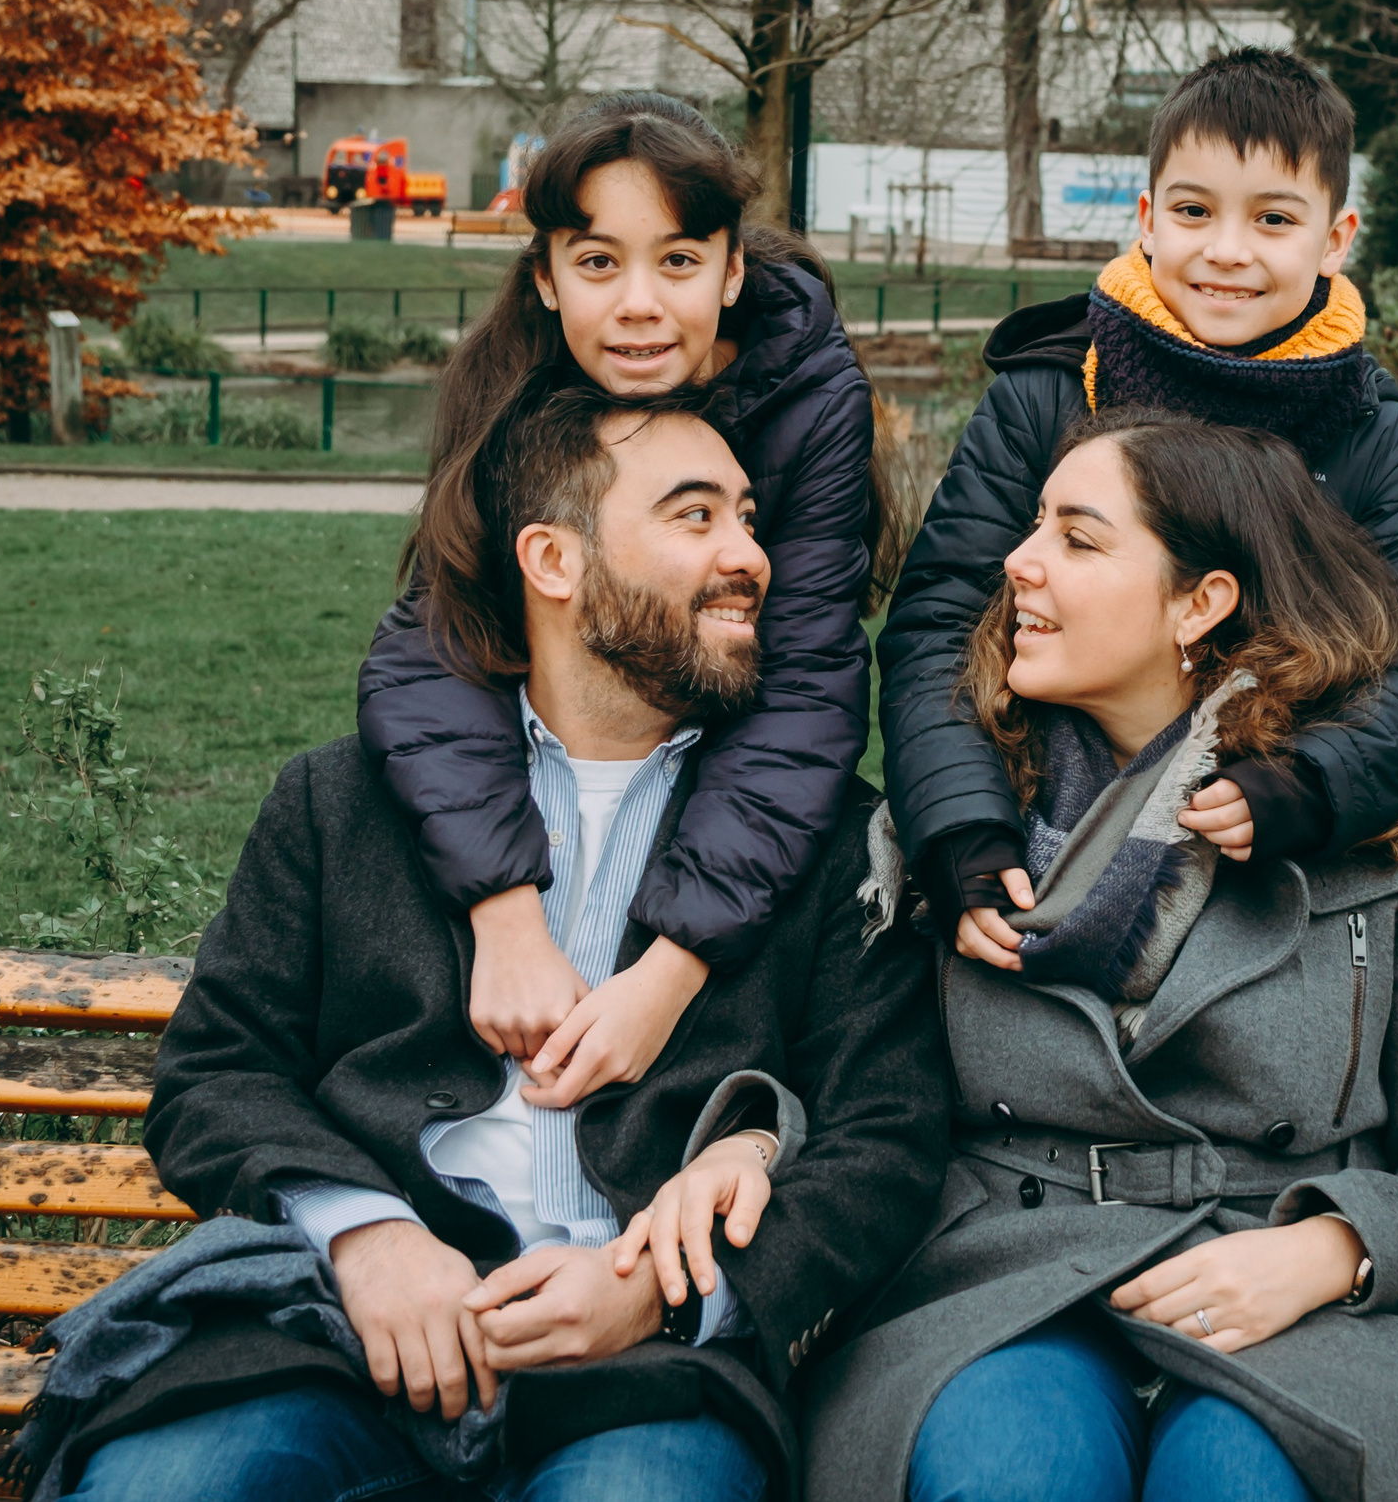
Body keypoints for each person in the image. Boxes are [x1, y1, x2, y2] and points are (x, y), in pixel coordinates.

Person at [49, 381, 947, 1502]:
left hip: (648, 1375)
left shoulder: (819, 839)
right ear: (553, 562)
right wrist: (368, 1239)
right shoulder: (347, 803)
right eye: (695, 516)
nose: (750, 557)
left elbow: (888, 1136)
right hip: (336, 1335)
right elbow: (214, 1076)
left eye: (750, 519)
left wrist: (669, 1290)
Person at [810, 410, 1398, 1502]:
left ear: (1198, 603)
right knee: (1014, 1478)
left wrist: (1330, 1249)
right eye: (1031, 528)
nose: (1015, 563)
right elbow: (862, 1104)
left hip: (1289, 1281)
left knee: (1236, 1486)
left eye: (1077, 537)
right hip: (1009, 1278)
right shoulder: (955, 827)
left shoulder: (1392, 830)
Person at [881, 47, 1398, 952]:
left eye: (1273, 218)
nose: (1226, 250)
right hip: (1046, 816)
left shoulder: (1376, 440)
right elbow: (938, 622)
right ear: (1148, 219)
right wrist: (963, 821)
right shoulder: (1047, 395)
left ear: (1335, 239)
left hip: (1264, 845)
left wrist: (1313, 780)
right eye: (1195, 211)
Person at [360, 91, 879, 1118]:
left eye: (678, 261)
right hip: (564, 750)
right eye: (597, 262)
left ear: (733, 270)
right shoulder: (509, 385)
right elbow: (435, 644)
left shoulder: (811, 400)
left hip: (712, 763)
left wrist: (671, 971)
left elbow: (807, 683)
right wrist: (504, 919)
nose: (638, 304)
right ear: (547, 278)